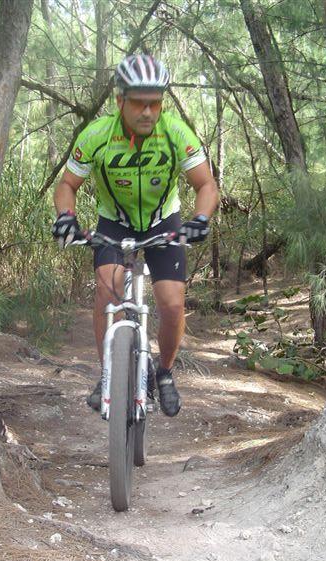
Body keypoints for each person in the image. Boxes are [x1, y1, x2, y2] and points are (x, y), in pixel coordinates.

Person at [52, 54, 219, 416]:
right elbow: (68, 184)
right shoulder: (97, 135)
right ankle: (108, 373)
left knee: (172, 304)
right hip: (115, 223)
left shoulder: (175, 133)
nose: (147, 111)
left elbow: (206, 184)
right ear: (120, 101)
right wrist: (66, 217)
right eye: (139, 103)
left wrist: (200, 218)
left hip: (164, 222)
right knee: (105, 290)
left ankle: (165, 373)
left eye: (155, 103)